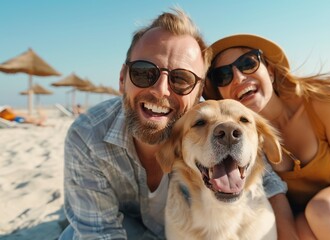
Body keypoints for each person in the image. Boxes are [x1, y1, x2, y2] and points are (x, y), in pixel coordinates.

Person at [60, 10, 294, 239]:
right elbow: (99, 232)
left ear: (198, 92)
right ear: (122, 79)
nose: (161, 90)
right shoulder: (88, 136)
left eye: (181, 79)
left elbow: (263, 175)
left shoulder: (206, 119)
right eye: (144, 73)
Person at [203, 34, 330, 240]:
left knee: (324, 211)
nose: (238, 78)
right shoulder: (238, 137)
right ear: (221, 94)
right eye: (223, 76)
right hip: (297, 214)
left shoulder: (320, 103)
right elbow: (273, 194)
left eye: (247, 63)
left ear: (270, 71)